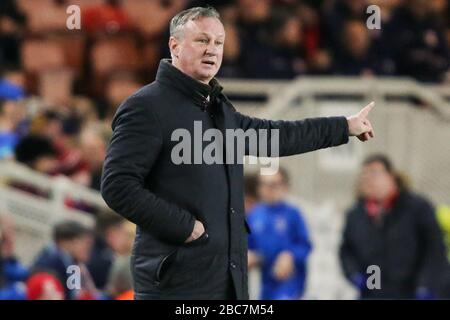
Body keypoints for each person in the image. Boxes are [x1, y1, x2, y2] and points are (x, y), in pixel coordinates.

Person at [101, 6, 375, 300]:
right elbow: (118, 187)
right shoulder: (145, 106)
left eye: (218, 42)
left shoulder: (219, 110)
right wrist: (186, 228)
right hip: (175, 285)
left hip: (227, 282)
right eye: (202, 40)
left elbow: (276, 137)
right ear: (174, 46)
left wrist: (343, 126)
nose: (212, 50)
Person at [339, 154, 448, 299]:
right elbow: (347, 250)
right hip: (374, 292)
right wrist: (355, 275)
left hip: (412, 292)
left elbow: (434, 250)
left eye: (374, 174)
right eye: (364, 176)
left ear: (391, 177)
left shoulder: (417, 208)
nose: (368, 180)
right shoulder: (357, 215)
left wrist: (426, 286)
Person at [247, 168, 311, 300]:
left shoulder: (293, 214)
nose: (269, 189)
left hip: (290, 282)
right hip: (266, 283)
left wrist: (290, 255)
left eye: (274, 184)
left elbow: (305, 245)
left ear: (285, 186)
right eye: (264, 184)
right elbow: (249, 246)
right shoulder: (254, 215)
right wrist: (249, 256)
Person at [32, 220, 96, 300]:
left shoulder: (74, 264)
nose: (89, 249)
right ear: (66, 242)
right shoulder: (51, 263)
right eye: (86, 243)